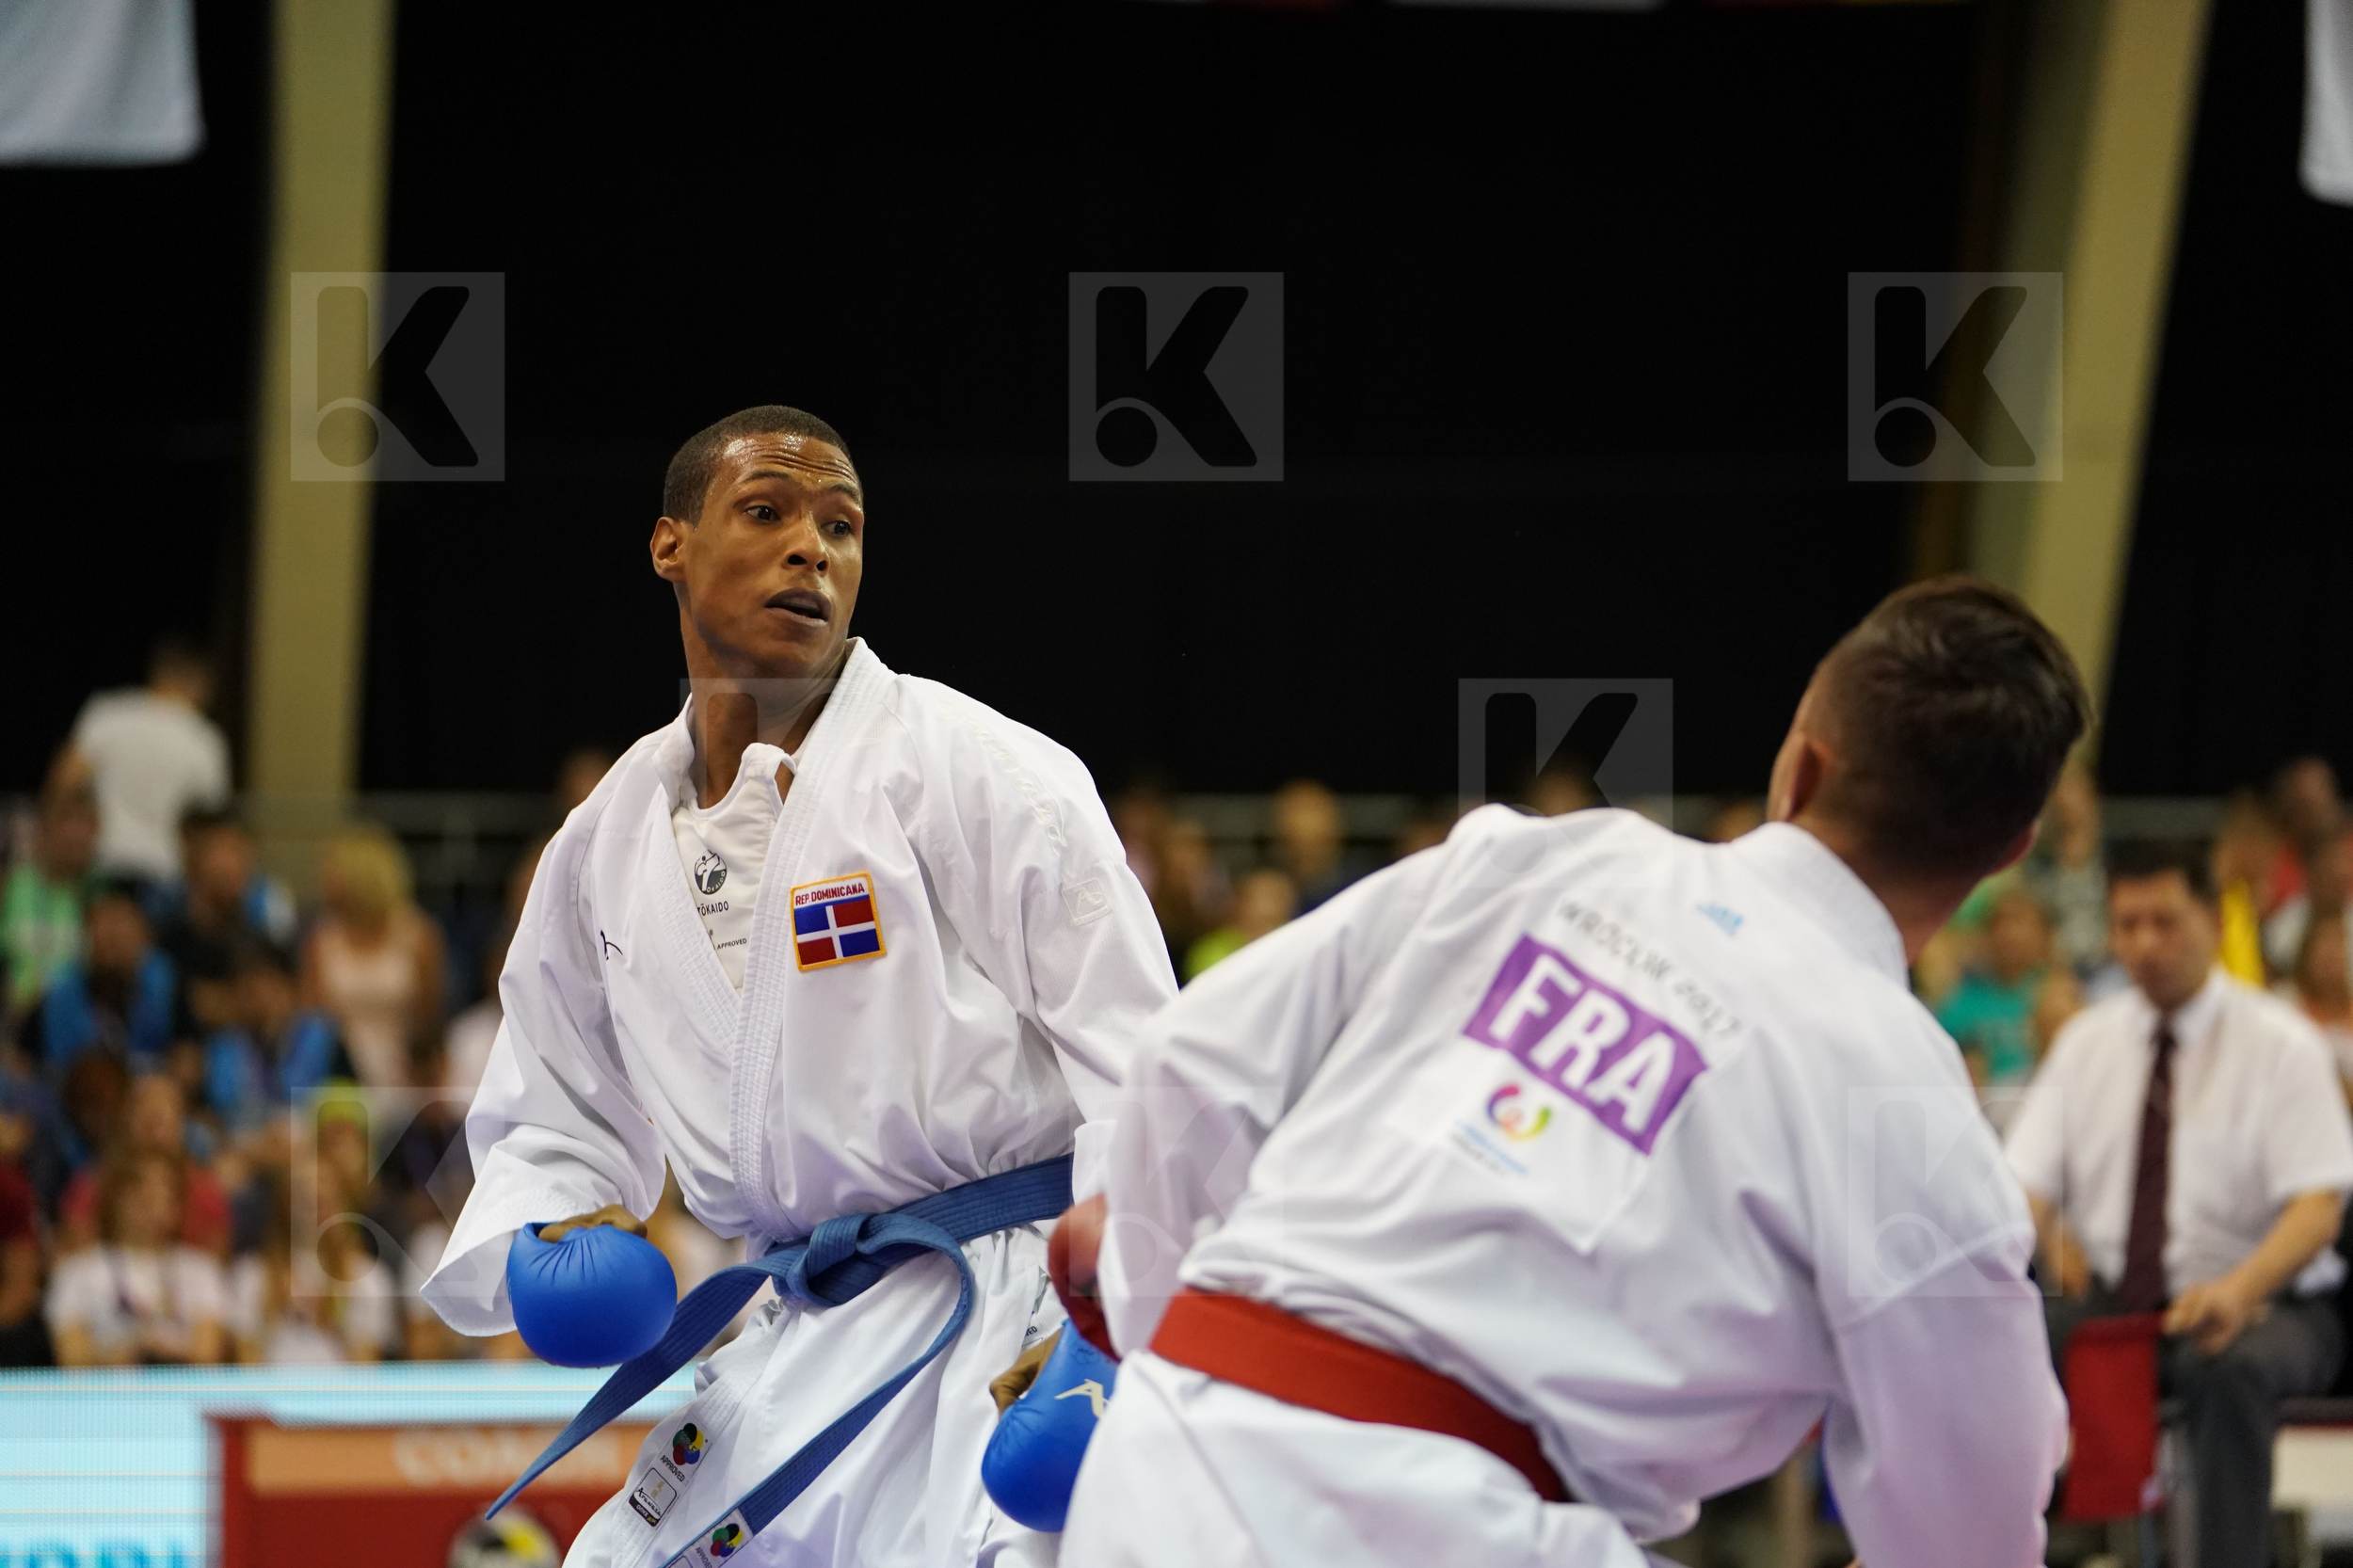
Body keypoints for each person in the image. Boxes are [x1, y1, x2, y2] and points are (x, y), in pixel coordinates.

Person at [1046, 576, 2088, 1568]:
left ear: (1800, 763)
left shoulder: (1534, 857)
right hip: (1469, 1526)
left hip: (1166, 1466)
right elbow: (1975, 1511)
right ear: (2008, 850)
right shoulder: (1909, 1104)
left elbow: (1187, 1059)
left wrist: (1164, 1337)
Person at [418, 406, 1176, 1568]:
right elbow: (552, 1100)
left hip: (1003, 1318)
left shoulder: (978, 769)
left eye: (841, 526)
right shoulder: (604, 840)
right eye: (766, 513)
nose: (811, 549)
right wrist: (548, 1222)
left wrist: (1108, 1322)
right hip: (796, 1315)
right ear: (669, 545)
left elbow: (1152, 1070)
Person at [2008, 840, 2353, 1568]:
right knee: (1992, 1335)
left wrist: (2238, 1289)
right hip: (2122, 1305)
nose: (2145, 944)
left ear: (2212, 915)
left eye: (2165, 921)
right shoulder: (2087, 1042)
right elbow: (2020, 1182)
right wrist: (2048, 1238)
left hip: (2272, 1304)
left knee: (2228, 1368)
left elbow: (2320, 1205)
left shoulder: (2280, 1043)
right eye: (2127, 924)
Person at [54, 639, 232, 889]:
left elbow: (64, 782)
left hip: (104, 859)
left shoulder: (108, 714)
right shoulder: (206, 740)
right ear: (201, 684)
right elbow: (208, 825)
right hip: (165, 869)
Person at [45, 1147, 228, 1366]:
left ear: (177, 1203)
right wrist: (131, 1350)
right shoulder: (76, 1271)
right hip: (107, 1396)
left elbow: (207, 1355)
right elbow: (73, 1360)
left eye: (162, 1189)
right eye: (138, 1188)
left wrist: (157, 1347)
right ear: (115, 1197)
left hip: (181, 1395)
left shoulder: (200, 1269)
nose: (151, 1198)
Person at [300, 825, 446, 1089]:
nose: (323, 881)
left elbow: (429, 1016)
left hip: (403, 1073)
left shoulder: (418, 935)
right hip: (337, 1074)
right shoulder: (321, 940)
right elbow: (312, 1020)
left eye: (332, 871)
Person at [155, 808, 298, 1036]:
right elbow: (194, 1006)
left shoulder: (259, 941)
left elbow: (279, 1008)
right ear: (195, 867)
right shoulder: (168, 942)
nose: (232, 868)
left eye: (240, 858)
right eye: (221, 857)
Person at [56, 1072, 232, 1256]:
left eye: (161, 1119)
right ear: (126, 1120)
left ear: (181, 1126)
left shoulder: (204, 1192)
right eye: (146, 1117)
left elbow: (215, 1266)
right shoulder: (92, 1186)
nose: (154, 1133)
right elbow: (72, 1258)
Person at [17, 882, 183, 1073]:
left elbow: (186, 1053)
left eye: (122, 922)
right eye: (103, 922)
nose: (112, 935)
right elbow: (20, 1059)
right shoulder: (57, 996)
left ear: (145, 935)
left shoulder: (168, 987)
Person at [1934, 885, 2077, 1095]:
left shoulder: (2059, 994)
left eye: (2020, 922)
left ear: (2045, 933)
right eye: (2000, 922)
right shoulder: (1960, 1003)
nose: (2009, 933)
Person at [2, 780, 99, 1024]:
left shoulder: (100, 899)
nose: (74, 834)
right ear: (43, 828)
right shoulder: (9, 887)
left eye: (84, 824)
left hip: (72, 1026)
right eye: (65, 821)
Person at [1180, 867, 1297, 981]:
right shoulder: (1208, 954)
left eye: (1277, 897)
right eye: (1260, 896)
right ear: (1240, 903)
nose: (1270, 906)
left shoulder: (1295, 949)